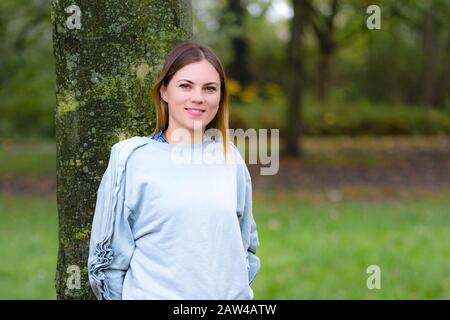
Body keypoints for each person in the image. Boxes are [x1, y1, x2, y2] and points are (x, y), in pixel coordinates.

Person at [87, 40, 260, 300]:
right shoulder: (131, 158)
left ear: (220, 96)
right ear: (165, 91)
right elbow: (108, 263)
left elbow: (246, 248)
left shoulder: (230, 158)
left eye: (210, 88)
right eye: (185, 86)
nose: (198, 97)